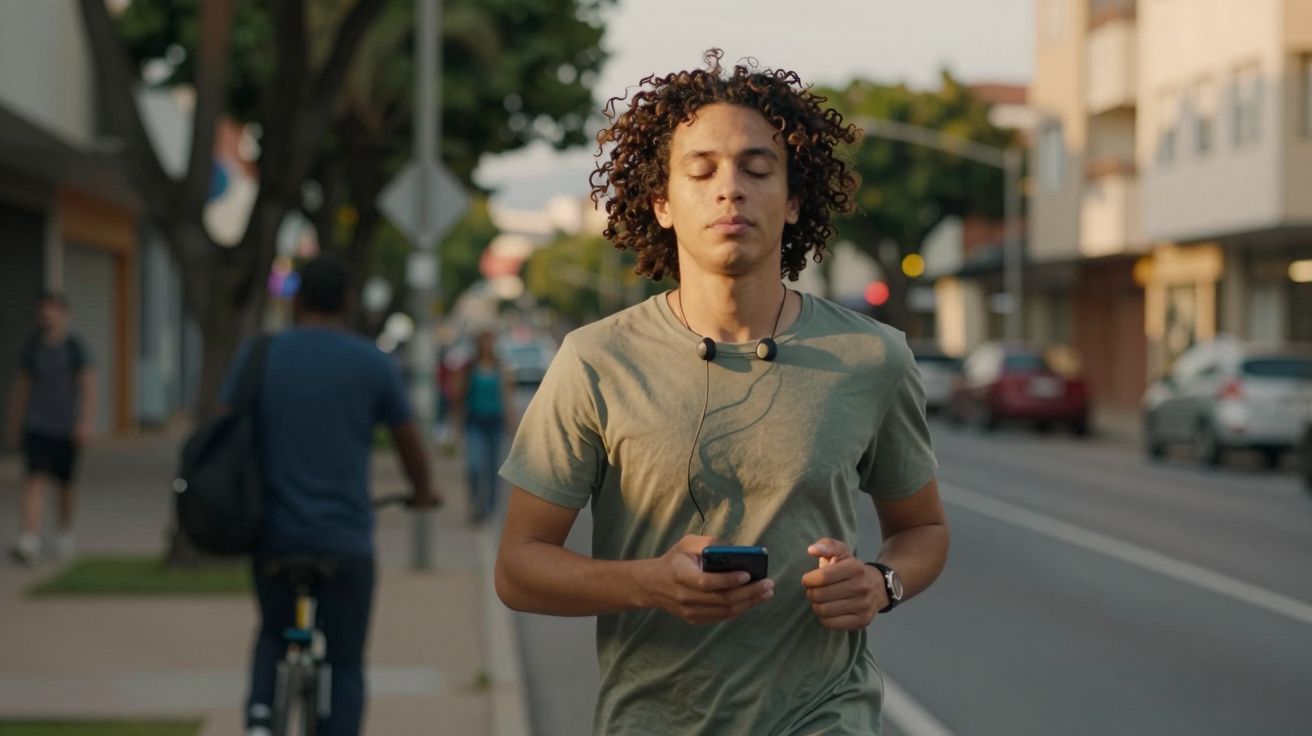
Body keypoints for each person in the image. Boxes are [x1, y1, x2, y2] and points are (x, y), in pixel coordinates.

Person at [494, 50, 950, 735]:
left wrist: (882, 583)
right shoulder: (595, 361)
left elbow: (923, 529)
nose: (729, 189)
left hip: (823, 714)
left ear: (795, 201)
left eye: (758, 169)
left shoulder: (873, 357)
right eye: (700, 171)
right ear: (662, 203)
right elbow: (519, 569)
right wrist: (647, 582)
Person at [220, 257, 441, 736]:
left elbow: (222, 427)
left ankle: (260, 718)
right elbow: (410, 448)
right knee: (343, 661)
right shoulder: (371, 363)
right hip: (345, 543)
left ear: (296, 300)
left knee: (274, 632)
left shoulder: (259, 355)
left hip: (273, 534)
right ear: (346, 302)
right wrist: (424, 492)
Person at [5, 292, 96, 565]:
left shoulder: (75, 348)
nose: (46, 317)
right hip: (37, 426)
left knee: (65, 485)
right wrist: (14, 423)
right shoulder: (33, 348)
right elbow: (21, 389)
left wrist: (85, 422)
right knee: (34, 480)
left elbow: (89, 387)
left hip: (66, 429)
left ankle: (64, 532)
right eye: (42, 311)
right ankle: (29, 539)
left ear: (63, 313)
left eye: (51, 311)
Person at [451, 331, 516, 524]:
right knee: (474, 466)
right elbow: (458, 397)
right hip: (475, 422)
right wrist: (455, 425)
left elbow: (507, 396)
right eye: (483, 342)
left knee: (493, 468)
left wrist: (512, 424)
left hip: (495, 422)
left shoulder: (500, 367)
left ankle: (488, 508)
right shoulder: (470, 368)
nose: (487, 346)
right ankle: (475, 504)